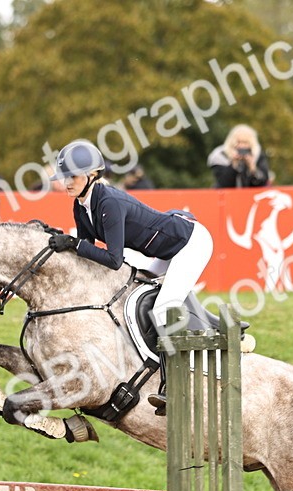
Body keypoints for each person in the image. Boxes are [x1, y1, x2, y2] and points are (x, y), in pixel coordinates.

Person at [45, 139, 214, 414]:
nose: (66, 182)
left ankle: (176, 387)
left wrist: (74, 243)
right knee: (135, 294)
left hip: (190, 243)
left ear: (91, 175)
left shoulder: (109, 202)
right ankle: (202, 325)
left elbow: (113, 260)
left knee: (162, 309)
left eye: (72, 176)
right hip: (164, 250)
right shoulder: (80, 206)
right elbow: (86, 254)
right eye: (64, 177)